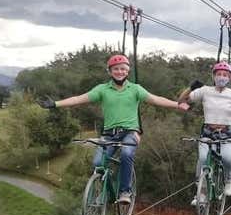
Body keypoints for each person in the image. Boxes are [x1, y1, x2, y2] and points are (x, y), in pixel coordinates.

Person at [39, 54, 189, 203]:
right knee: (98, 163)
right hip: (109, 134)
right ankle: (105, 190)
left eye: (123, 69)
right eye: (116, 69)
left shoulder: (135, 89)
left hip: (130, 132)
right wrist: (55, 104)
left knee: (126, 154)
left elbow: (156, 99)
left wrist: (177, 104)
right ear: (110, 71)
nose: (120, 72)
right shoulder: (102, 90)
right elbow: (78, 99)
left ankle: (125, 191)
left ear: (128, 71)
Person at [178, 62, 231, 202]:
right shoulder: (205, 91)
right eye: (219, 74)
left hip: (227, 133)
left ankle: (228, 180)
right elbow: (181, 101)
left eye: (225, 75)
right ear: (213, 76)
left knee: (227, 158)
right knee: (203, 160)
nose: (222, 77)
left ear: (229, 78)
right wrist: (191, 88)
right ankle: (201, 193)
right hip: (208, 132)